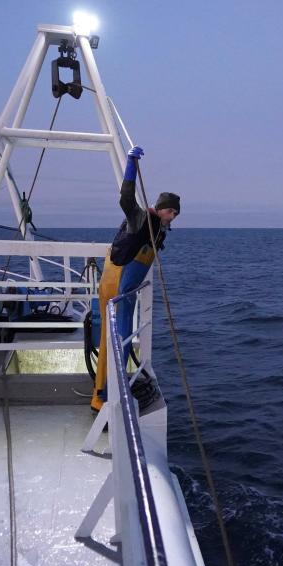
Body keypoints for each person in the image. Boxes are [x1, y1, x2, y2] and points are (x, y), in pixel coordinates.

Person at [91, 145, 180, 412]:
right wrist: (131, 163)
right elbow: (126, 199)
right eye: (170, 212)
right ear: (161, 208)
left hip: (128, 291)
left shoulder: (160, 230)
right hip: (115, 284)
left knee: (125, 338)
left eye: (176, 213)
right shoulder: (140, 218)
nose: (172, 216)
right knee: (113, 342)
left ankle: (118, 385)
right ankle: (101, 396)